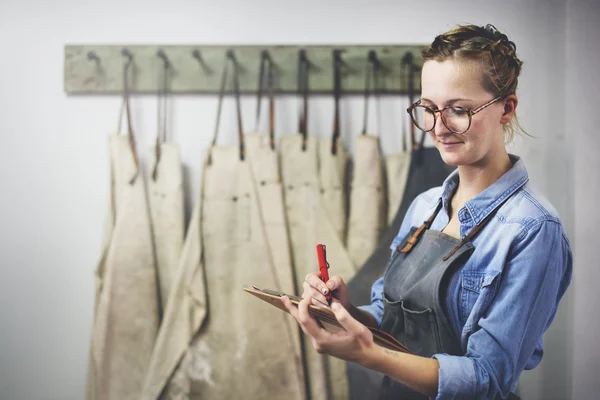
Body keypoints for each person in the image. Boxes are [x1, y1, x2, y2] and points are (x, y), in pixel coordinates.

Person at [281, 23, 573, 400]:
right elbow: (390, 320)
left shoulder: (532, 229)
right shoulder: (425, 205)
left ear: (507, 107)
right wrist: (346, 310)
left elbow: (488, 379)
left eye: (459, 110)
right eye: (429, 108)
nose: (439, 127)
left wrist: (370, 357)